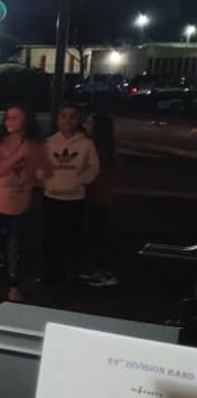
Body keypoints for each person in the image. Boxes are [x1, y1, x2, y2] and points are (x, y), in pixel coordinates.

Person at [0, 104, 51, 301]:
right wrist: (19, 156)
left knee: (14, 244)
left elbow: (45, 168)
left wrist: (38, 174)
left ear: (26, 119)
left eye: (15, 117)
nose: (10, 121)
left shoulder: (35, 143)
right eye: (8, 117)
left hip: (19, 202)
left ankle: (13, 284)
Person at [41, 102, 100, 284]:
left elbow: (94, 167)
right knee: (51, 236)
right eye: (63, 116)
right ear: (58, 119)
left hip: (75, 198)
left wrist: (79, 181)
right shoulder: (49, 143)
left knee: (72, 237)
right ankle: (52, 271)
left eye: (72, 116)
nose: (67, 120)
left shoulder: (86, 144)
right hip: (52, 196)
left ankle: (72, 273)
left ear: (77, 120)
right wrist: (47, 181)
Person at [82, 113, 118, 287]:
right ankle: (96, 269)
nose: (85, 124)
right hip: (100, 197)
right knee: (96, 235)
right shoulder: (105, 146)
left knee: (96, 236)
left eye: (89, 122)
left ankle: (102, 271)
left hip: (97, 197)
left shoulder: (98, 148)